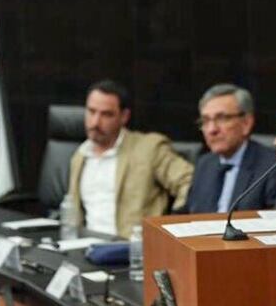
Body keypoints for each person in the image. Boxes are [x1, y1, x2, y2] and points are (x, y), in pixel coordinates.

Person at [67, 80, 192, 238]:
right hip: (84, 245)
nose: (95, 122)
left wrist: (174, 229)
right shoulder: (80, 156)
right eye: (91, 111)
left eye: (106, 114)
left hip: (131, 250)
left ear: (124, 116)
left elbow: (189, 182)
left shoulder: (149, 148)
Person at [186, 83, 276, 213]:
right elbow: (188, 213)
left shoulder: (272, 167)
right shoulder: (204, 164)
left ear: (246, 123)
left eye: (221, 118)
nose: (212, 129)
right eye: (205, 121)